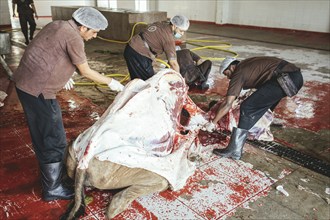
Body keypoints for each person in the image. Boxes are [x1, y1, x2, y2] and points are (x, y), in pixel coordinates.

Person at [12, 7, 124, 202]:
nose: (95, 36)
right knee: (53, 139)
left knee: (43, 134)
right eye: (94, 32)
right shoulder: (74, 38)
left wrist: (63, 73)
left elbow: (44, 50)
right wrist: (111, 83)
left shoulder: (58, 25)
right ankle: (53, 189)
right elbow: (86, 71)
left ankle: (53, 180)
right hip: (39, 91)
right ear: (83, 27)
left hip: (25, 83)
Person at [203, 56, 303, 160]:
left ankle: (234, 150)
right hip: (295, 78)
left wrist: (213, 122)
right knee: (263, 101)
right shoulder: (246, 64)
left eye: (226, 73)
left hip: (286, 79)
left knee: (247, 107)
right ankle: (262, 125)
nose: (228, 78)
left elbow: (228, 104)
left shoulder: (239, 72)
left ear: (231, 67)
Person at [124, 15, 190, 80]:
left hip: (130, 47)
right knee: (146, 83)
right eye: (181, 31)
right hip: (138, 54)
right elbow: (173, 63)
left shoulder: (159, 24)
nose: (182, 34)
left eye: (184, 31)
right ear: (174, 26)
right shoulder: (168, 39)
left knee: (138, 80)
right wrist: (179, 79)